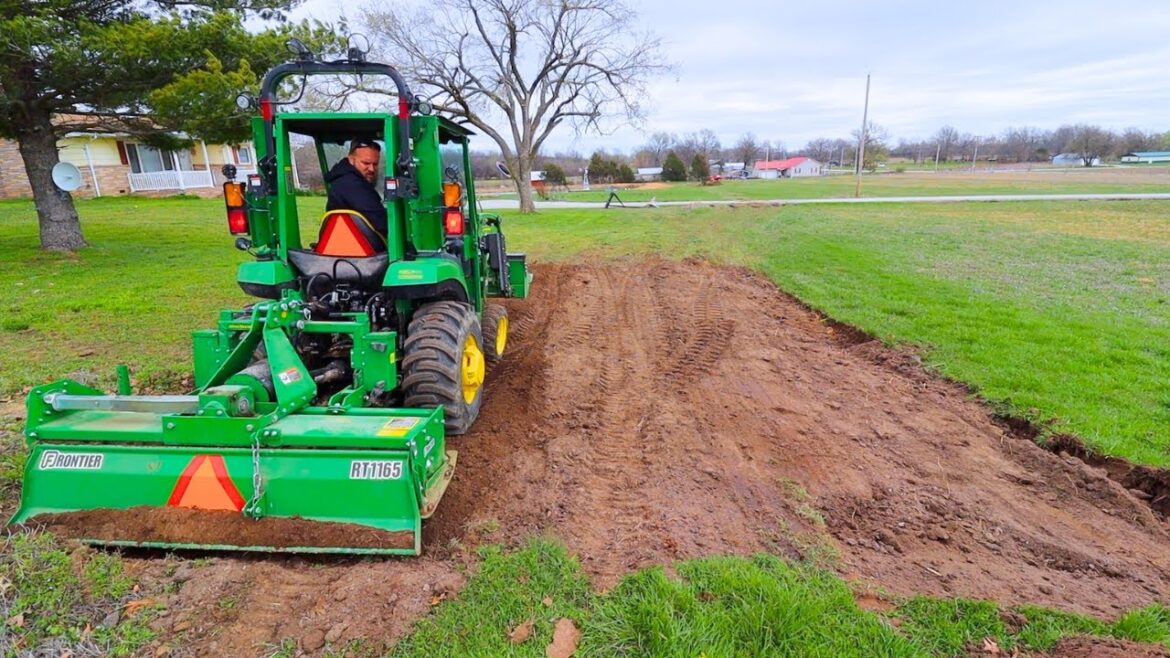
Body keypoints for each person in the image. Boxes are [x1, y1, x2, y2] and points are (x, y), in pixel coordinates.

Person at [325, 138, 387, 239]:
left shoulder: (344, 180)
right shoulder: (352, 185)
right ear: (351, 160)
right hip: (354, 243)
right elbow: (381, 222)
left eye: (375, 164)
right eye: (366, 163)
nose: (371, 169)